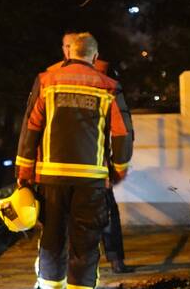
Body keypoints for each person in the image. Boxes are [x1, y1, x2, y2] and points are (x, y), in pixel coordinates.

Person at [16, 32, 132, 289]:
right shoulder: (108, 86)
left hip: (51, 177)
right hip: (90, 178)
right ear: (95, 56)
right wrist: (118, 169)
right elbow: (122, 133)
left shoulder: (46, 81)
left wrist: (24, 173)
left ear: (68, 54)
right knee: (86, 238)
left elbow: (31, 128)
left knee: (53, 236)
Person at [37, 32, 135, 273]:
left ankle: (113, 259)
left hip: (87, 166)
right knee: (63, 228)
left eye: (72, 46)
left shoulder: (98, 74)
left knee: (98, 217)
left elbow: (120, 125)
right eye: (66, 45)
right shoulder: (51, 76)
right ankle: (66, 281)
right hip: (72, 168)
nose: (69, 50)